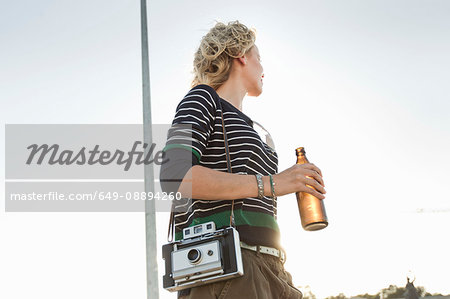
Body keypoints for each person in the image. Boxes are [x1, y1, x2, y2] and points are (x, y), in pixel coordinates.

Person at [160, 21, 326, 299]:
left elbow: (253, 191)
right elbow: (174, 176)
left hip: (273, 267)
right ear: (241, 55)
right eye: (259, 58)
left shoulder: (256, 129)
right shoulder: (201, 98)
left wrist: (288, 183)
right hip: (228, 271)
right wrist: (272, 183)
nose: (263, 69)